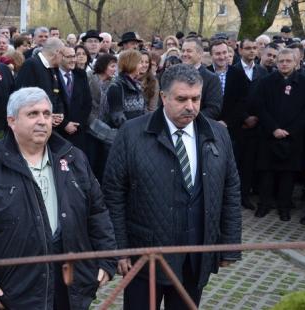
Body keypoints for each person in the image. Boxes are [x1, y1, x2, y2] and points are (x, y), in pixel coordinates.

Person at [0, 87, 117, 309]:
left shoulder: (74, 157)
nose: (42, 121)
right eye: (32, 114)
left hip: (67, 282)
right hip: (10, 286)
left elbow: (97, 211)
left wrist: (107, 259)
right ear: (12, 120)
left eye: (47, 114)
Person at [103, 64, 241, 310]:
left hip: (195, 256)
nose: (190, 106)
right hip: (145, 256)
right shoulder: (131, 133)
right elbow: (113, 193)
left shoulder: (218, 134)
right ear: (163, 97)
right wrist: (118, 249)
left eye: (196, 98)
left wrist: (229, 245)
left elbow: (230, 189)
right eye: (182, 99)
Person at [254, 49, 305, 221]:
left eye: (288, 61)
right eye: (281, 61)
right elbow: (260, 107)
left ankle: (284, 208)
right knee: (267, 174)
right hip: (269, 135)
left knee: (288, 175)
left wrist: (290, 131)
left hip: (293, 137)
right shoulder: (265, 82)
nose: (284, 64)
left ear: (296, 63)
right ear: (277, 62)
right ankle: (264, 205)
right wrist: (274, 129)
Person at [233, 38, 269, 212]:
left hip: (256, 126)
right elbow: (231, 100)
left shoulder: (262, 72)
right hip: (236, 126)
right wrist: (244, 117)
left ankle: (245, 196)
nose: (252, 51)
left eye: (254, 48)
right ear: (240, 50)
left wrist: (256, 118)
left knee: (249, 164)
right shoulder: (233, 70)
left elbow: (266, 100)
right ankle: (231, 197)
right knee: (234, 164)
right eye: (248, 48)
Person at [16, 37, 66, 122]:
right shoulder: (31, 65)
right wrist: (45, 116)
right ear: (57, 52)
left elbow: (56, 94)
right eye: (63, 55)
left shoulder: (52, 68)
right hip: (33, 123)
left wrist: (59, 114)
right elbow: (23, 98)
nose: (63, 58)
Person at [86, 53, 118, 181]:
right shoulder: (89, 78)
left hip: (105, 126)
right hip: (90, 125)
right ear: (104, 66)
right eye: (112, 66)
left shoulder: (113, 83)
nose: (114, 69)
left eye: (116, 66)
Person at [56, 46, 92, 152]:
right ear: (60, 57)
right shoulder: (52, 75)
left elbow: (87, 103)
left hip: (78, 131)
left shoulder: (81, 75)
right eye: (69, 57)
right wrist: (64, 124)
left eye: (74, 56)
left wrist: (77, 124)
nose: (73, 60)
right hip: (58, 132)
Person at [181, 38, 223, 120]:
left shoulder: (212, 79)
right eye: (183, 51)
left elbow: (213, 109)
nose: (184, 54)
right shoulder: (174, 74)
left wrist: (189, 120)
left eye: (189, 51)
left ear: (200, 54)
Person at [106, 49, 145, 129]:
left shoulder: (138, 86)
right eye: (140, 62)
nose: (142, 66)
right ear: (132, 63)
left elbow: (143, 111)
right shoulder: (116, 87)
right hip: (125, 136)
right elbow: (117, 117)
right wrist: (132, 132)